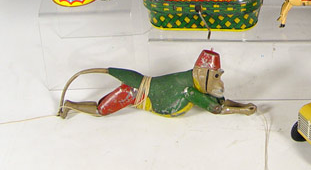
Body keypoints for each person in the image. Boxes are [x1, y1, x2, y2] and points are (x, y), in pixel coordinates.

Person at [58, 50, 257, 118]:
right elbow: (217, 109)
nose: (218, 82)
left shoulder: (194, 83)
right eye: (215, 76)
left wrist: (242, 105)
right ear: (201, 73)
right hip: (134, 91)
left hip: (141, 85)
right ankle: (69, 105)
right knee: (101, 110)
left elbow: (219, 102)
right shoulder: (190, 90)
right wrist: (241, 110)